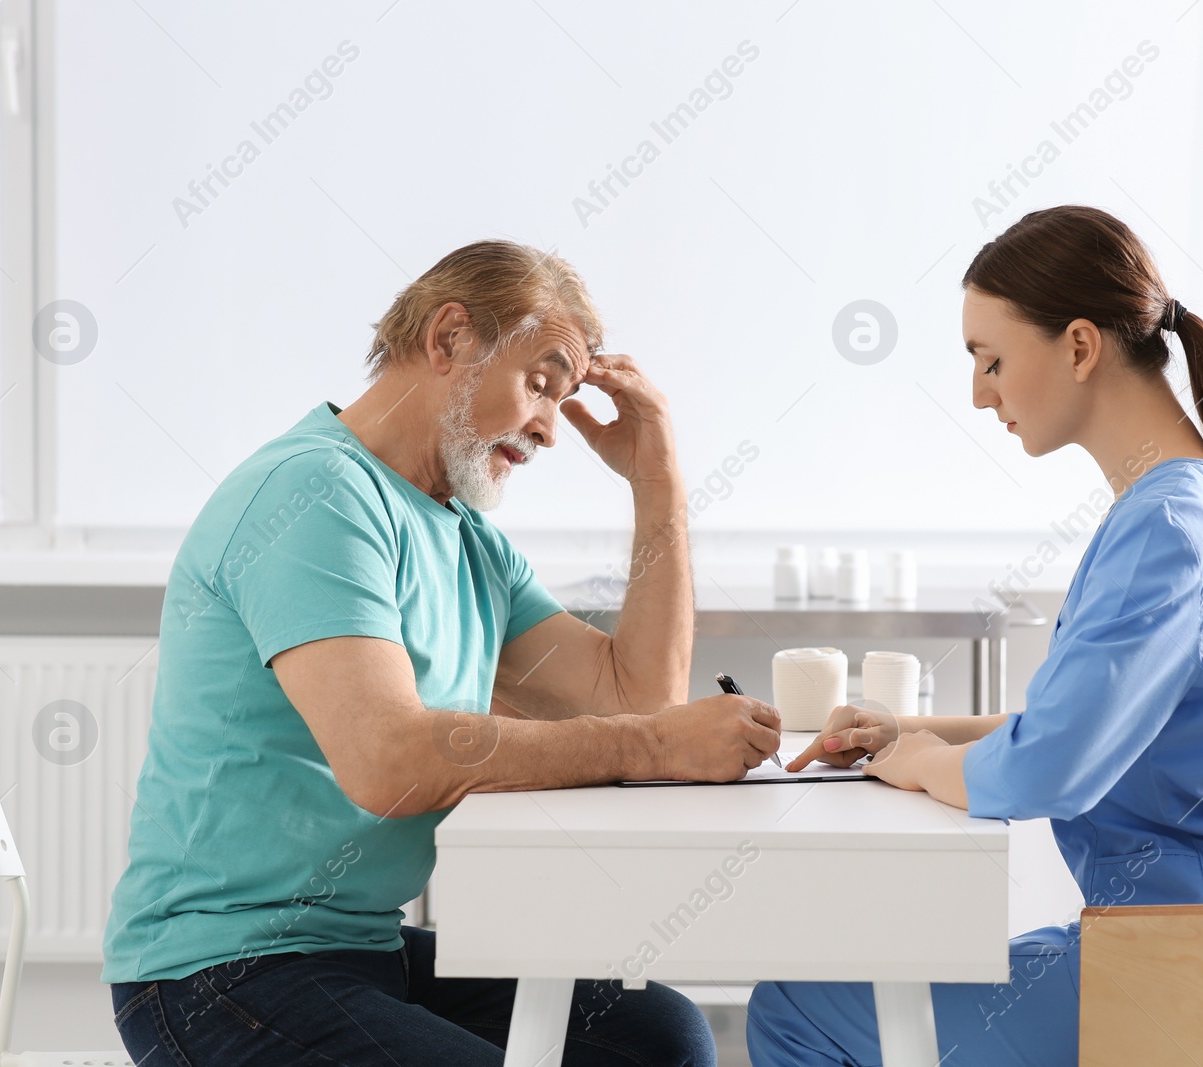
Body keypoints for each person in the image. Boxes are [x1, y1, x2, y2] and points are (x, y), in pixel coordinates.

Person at [102, 240, 780, 1066]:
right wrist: (653, 745)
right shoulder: (316, 495)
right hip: (220, 973)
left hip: (360, 950)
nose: (549, 428)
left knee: (658, 1039)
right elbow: (387, 760)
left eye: (562, 398)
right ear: (451, 336)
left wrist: (658, 479)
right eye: (540, 382)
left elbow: (639, 695)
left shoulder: (464, 535)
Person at [747, 205, 1203, 1067]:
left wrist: (921, 763)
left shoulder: (1166, 528)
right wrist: (917, 735)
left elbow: (1049, 766)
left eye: (991, 359)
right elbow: (1082, 726)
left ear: (1080, 347)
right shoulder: (1193, 501)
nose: (978, 392)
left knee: (795, 1009)